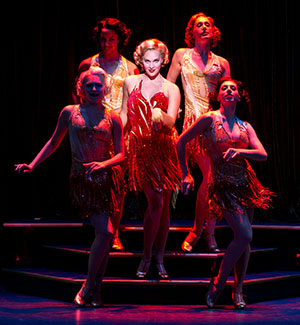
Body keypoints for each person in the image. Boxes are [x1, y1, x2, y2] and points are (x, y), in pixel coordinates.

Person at [15, 66, 125, 307]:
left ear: (105, 88)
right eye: (89, 85)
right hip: (82, 181)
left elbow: (121, 154)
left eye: (98, 85)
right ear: (81, 88)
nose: (94, 89)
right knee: (105, 233)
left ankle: (96, 289)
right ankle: (89, 285)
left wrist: (103, 164)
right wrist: (33, 165)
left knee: (105, 236)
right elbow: (53, 142)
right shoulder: (69, 112)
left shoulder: (113, 116)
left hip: (107, 181)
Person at [176, 77, 274, 309]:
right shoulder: (209, 119)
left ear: (239, 96)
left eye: (233, 89)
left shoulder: (244, 126)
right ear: (218, 95)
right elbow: (180, 142)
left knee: (244, 239)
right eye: (224, 88)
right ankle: (219, 282)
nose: (229, 91)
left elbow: (263, 154)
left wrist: (242, 153)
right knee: (245, 235)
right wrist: (185, 174)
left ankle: (238, 290)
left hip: (246, 184)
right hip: (221, 185)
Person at [74, 18, 139, 251]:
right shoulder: (87, 64)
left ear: (119, 40)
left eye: (111, 39)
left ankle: (115, 230)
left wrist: (124, 128)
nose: (106, 43)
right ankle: (99, 227)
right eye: (103, 39)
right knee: (92, 177)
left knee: (116, 184)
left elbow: (134, 102)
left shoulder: (130, 67)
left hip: (120, 128)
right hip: (93, 129)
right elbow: (78, 94)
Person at [167, 12, 231, 253]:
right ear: (191, 31)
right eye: (199, 25)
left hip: (216, 124)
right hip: (193, 124)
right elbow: (168, 86)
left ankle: (207, 232)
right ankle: (198, 231)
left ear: (213, 31)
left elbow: (226, 93)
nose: (203, 28)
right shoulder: (181, 55)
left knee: (213, 178)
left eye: (208, 24)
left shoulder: (222, 62)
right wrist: (168, 119)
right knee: (211, 176)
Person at [120, 39, 181, 279]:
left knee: (164, 207)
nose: (152, 65)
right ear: (140, 60)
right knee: (155, 202)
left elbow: (172, 122)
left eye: (156, 60)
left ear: (164, 60)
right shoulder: (130, 82)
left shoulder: (171, 88)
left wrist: (161, 114)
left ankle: (159, 257)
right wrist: (113, 135)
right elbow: (125, 115)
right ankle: (146, 256)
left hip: (165, 148)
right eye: (147, 60)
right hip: (140, 148)